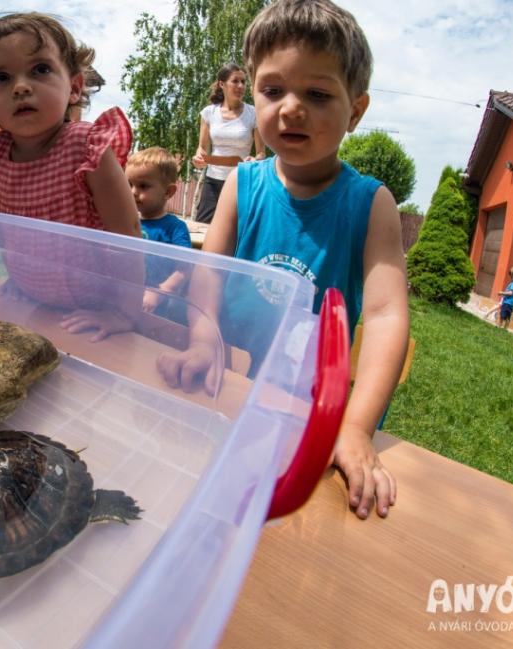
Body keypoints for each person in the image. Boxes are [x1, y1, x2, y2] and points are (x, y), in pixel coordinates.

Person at [156, 0, 409, 520]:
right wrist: (203, 341)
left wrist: (356, 429)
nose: (290, 108)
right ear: (253, 95)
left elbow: (386, 316)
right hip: (229, 391)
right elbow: (209, 271)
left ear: (355, 111)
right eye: (273, 90)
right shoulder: (243, 187)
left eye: (316, 94)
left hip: (315, 422)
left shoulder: (371, 203)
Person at [0, 12, 142, 341]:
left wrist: (123, 311)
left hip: (97, 311)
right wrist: (18, 282)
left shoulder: (86, 148)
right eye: (1, 77)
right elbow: (8, 229)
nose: (20, 87)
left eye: (40, 70)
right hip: (34, 306)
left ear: (74, 87)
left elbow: (127, 233)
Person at [191, 63, 265, 224]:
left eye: (243, 82)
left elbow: (261, 153)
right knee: (201, 227)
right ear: (222, 84)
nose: (241, 86)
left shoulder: (253, 113)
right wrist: (198, 157)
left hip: (241, 181)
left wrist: (255, 160)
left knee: (237, 233)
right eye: (235, 81)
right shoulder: (209, 113)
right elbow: (202, 148)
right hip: (213, 180)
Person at [126, 146, 192, 319]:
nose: (133, 192)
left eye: (143, 186)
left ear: (168, 192)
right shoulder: (127, 222)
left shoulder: (174, 228)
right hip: (125, 299)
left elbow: (186, 267)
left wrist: (162, 291)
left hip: (158, 309)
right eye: (129, 184)